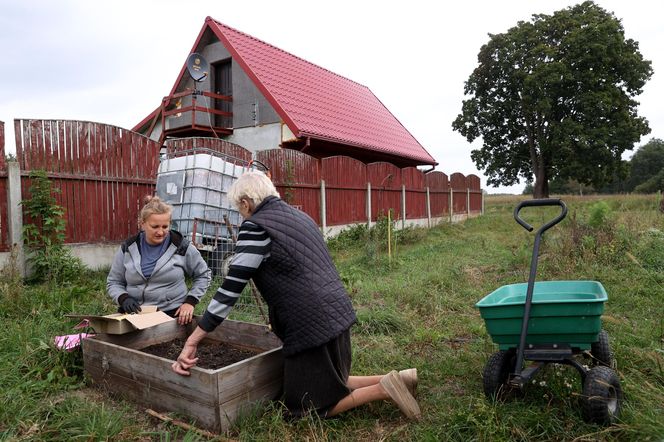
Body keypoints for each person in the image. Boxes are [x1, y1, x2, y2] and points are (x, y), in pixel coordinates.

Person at [171, 171, 421, 420]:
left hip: (310, 326)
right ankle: (401, 378)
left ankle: (384, 389)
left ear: (246, 203)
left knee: (305, 410)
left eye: (240, 208)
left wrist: (194, 339)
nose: (241, 213)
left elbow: (231, 288)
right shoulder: (300, 217)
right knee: (334, 379)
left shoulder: (256, 226)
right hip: (337, 315)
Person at [107, 196, 211, 325]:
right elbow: (114, 282)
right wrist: (124, 298)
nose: (160, 232)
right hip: (134, 314)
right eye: (155, 226)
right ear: (142, 224)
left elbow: (203, 275)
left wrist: (190, 302)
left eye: (165, 226)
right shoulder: (128, 248)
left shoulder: (181, 247)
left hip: (171, 315)